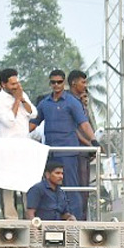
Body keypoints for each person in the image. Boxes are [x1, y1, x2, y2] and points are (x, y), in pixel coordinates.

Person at [29, 69, 94, 218]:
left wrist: (93, 140)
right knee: (49, 188)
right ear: (50, 83)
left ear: (64, 83)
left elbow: (83, 123)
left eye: (59, 82)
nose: (56, 85)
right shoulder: (45, 103)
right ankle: (54, 217)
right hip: (51, 153)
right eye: (53, 82)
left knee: (71, 187)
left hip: (68, 152)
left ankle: (76, 219)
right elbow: (33, 123)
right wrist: (16, 135)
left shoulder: (72, 102)